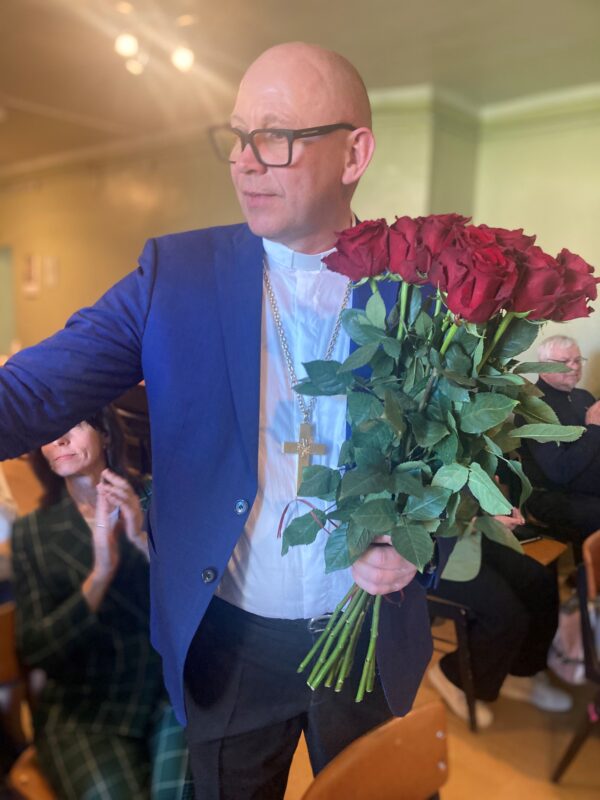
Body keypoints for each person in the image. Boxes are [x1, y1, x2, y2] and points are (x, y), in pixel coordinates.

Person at [0, 43, 453, 798]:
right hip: (229, 644)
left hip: (369, 634)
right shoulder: (173, 277)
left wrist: (421, 547)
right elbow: (28, 395)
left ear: (354, 153)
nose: (243, 161)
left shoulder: (418, 291)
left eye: (274, 137)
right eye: (238, 136)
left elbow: (453, 458)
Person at [11, 408, 192, 800]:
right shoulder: (33, 533)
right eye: (49, 431)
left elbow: (200, 603)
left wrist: (142, 541)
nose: (59, 439)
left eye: (74, 426)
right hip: (84, 711)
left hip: (165, 691)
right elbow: (37, 649)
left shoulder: (157, 498)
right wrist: (100, 574)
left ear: (106, 433)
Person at [428, 509, 571, 728]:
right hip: (424, 555)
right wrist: (481, 522)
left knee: (539, 582)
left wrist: (496, 506)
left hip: (464, 537)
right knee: (506, 615)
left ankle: (519, 671)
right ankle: (452, 676)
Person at [520, 335, 600, 548]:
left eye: (577, 360)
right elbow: (559, 472)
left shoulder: (583, 396)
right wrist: (594, 428)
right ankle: (589, 566)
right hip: (554, 494)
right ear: (543, 367)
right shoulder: (534, 408)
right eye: (564, 362)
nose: (574, 367)